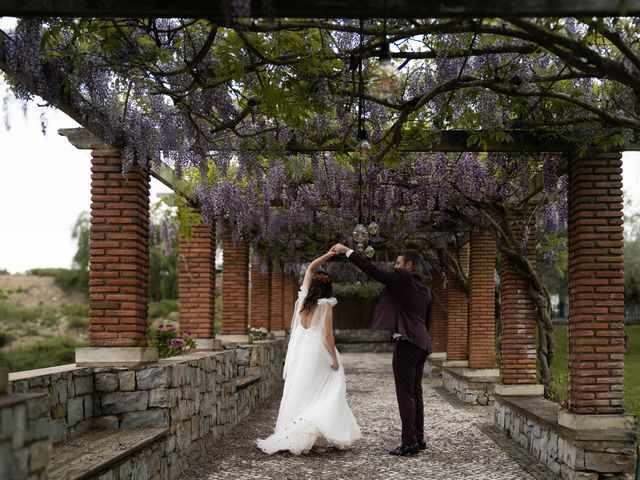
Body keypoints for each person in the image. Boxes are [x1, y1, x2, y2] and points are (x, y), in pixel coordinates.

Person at [256, 250, 361, 455]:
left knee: (301, 389)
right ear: (328, 287)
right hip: (318, 352)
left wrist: (327, 255)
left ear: (313, 285)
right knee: (329, 389)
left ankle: (303, 433)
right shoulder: (325, 305)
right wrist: (333, 358)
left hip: (302, 351)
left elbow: (311, 267)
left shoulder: (303, 299)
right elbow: (328, 336)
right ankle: (316, 430)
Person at [331, 243, 432, 456]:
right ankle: (419, 439)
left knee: (406, 396)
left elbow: (372, 271)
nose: (394, 267)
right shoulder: (423, 287)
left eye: (397, 263)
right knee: (416, 393)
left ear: (409, 265)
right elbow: (425, 319)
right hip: (421, 343)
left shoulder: (403, 278)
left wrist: (348, 251)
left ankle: (409, 444)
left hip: (407, 344)